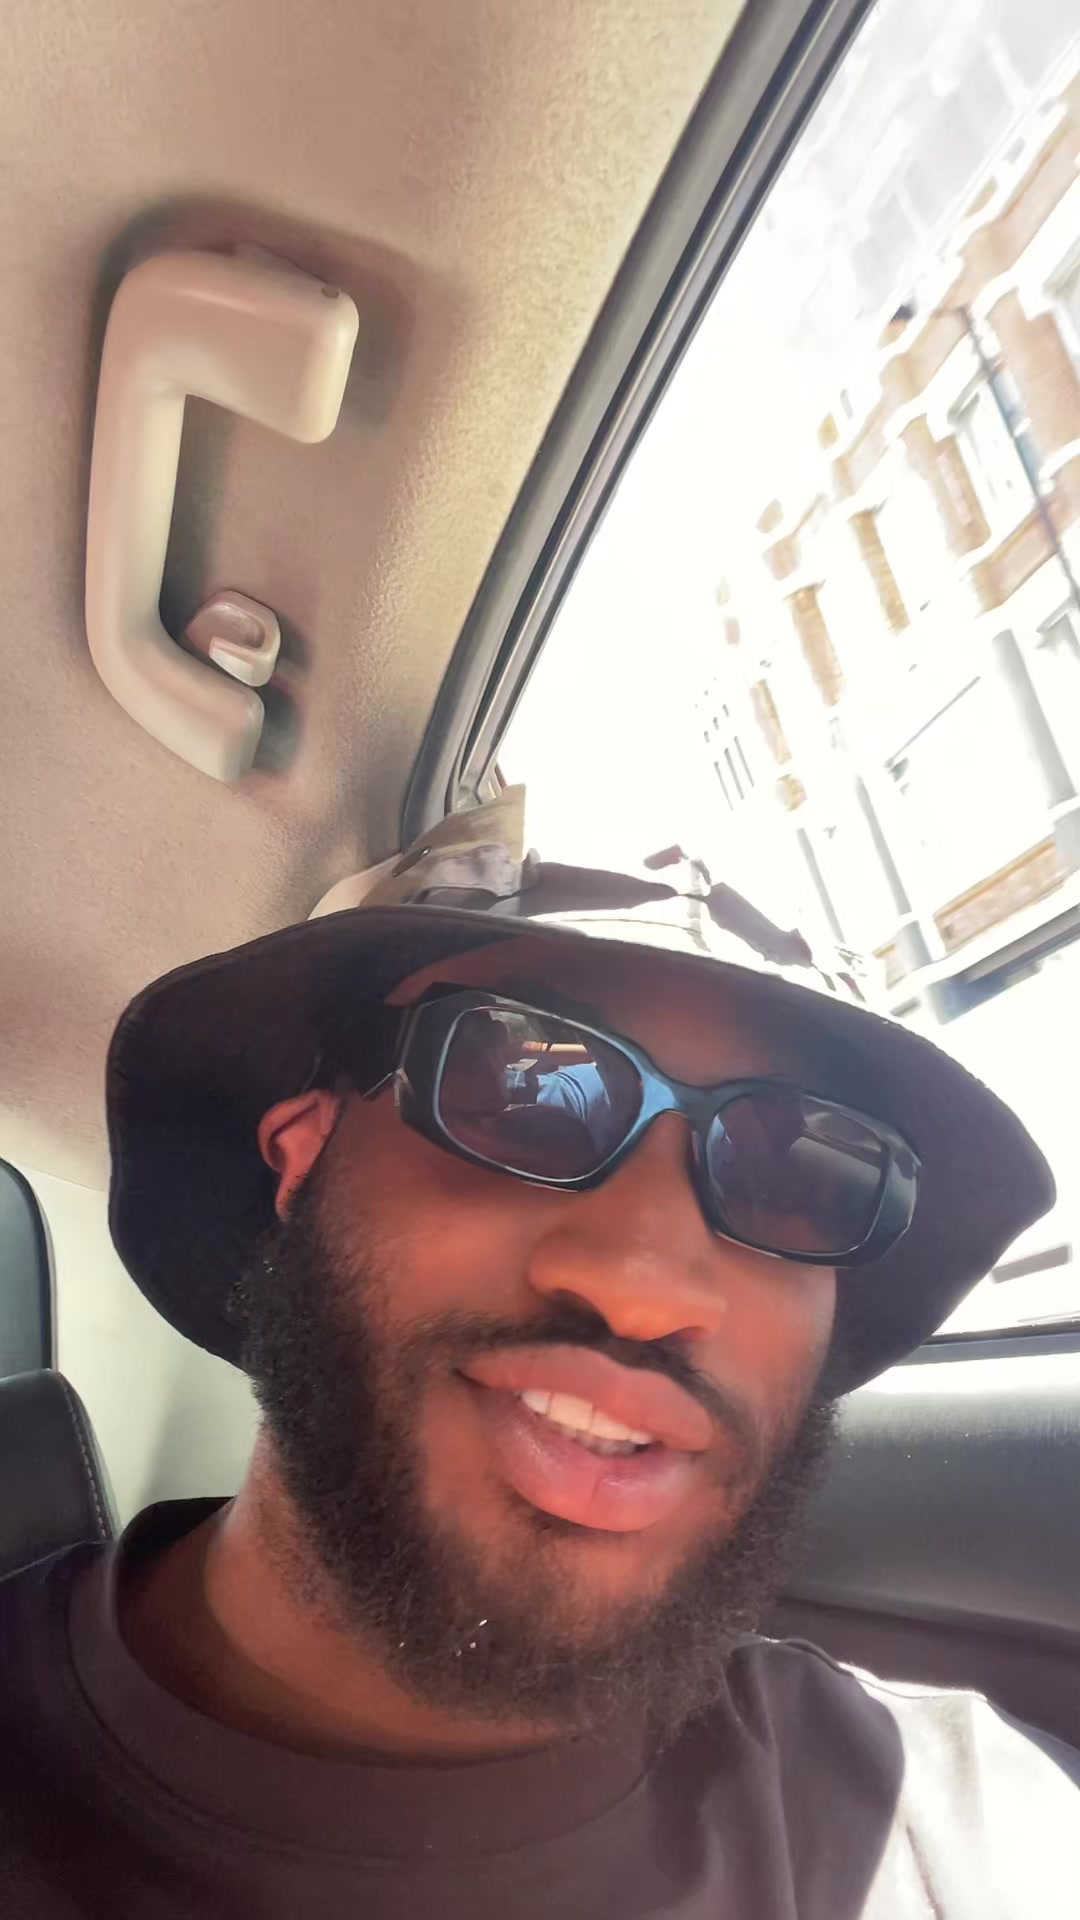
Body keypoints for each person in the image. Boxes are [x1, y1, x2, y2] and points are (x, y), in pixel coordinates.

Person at [1, 790, 1076, 1919]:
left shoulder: (954, 1840)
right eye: (520, 1093)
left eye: (803, 1174)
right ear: (301, 1160)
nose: (646, 1290)